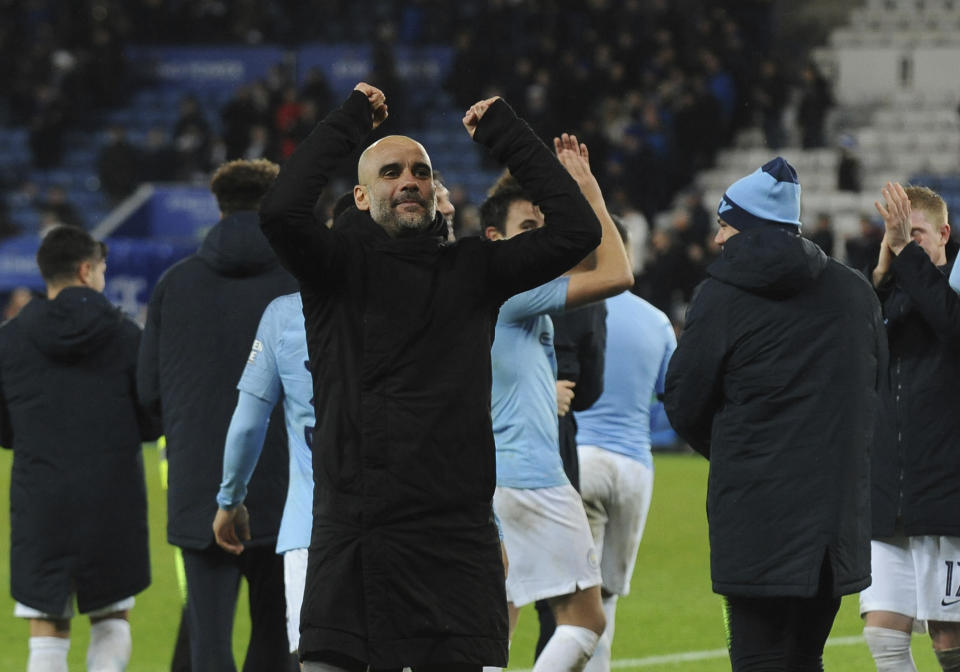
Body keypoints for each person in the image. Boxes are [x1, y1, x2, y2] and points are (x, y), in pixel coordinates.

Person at [258, 82, 604, 672]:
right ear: (363, 198)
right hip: (355, 529)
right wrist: (349, 123)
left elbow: (578, 232)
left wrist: (506, 134)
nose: (410, 180)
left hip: (453, 535)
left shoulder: (473, 269)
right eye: (390, 172)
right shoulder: (335, 269)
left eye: (420, 170)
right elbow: (280, 210)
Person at [664, 157, 885, 671]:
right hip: (834, 522)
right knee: (806, 657)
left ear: (749, 227)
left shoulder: (720, 297)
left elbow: (683, 399)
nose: (718, 239)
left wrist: (741, 451)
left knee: (758, 658)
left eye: (725, 225)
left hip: (755, 516)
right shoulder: (855, 293)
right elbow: (872, 393)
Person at [138, 158, 296, 672]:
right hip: (285, 487)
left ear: (219, 206)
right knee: (276, 639)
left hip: (200, 489)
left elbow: (148, 393)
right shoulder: (298, 281)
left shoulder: (173, 285)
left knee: (208, 647)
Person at [483, 136, 633, 672]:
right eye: (528, 231)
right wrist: (590, 193)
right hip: (533, 479)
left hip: (491, 477)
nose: (540, 242)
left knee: (496, 621)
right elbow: (618, 273)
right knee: (586, 622)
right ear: (494, 239)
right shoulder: (514, 292)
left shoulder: (483, 295)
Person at [0, 226, 161, 672]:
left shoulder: (9, 339)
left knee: (46, 627)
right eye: (103, 269)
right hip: (112, 497)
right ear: (86, 270)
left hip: (40, 499)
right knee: (111, 616)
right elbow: (152, 415)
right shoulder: (128, 336)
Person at [861, 182, 960, 672]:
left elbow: (951, 326)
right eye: (897, 233)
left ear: (944, 234)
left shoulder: (953, 291)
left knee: (949, 639)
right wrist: (879, 276)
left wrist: (905, 255)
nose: (904, 242)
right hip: (887, 497)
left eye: (915, 234)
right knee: (882, 634)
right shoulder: (889, 297)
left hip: (945, 498)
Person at [574, 220, 676, 672]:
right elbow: (673, 398)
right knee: (606, 598)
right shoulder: (658, 322)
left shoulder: (566, 305)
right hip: (635, 468)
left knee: (562, 599)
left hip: (575, 460)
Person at [212, 290, 314, 669]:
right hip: (402, 528)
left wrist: (230, 500)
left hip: (312, 532)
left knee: (320, 661)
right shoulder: (413, 297)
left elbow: (247, 425)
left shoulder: (287, 314)